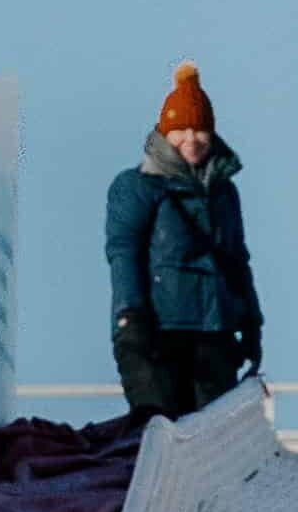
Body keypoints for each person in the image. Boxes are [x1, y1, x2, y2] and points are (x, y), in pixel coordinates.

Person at [106, 71, 266, 422]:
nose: (191, 139)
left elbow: (237, 260)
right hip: (161, 332)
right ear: (165, 134)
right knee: (163, 431)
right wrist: (129, 318)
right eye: (181, 130)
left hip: (216, 334)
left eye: (199, 130)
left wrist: (252, 322)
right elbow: (124, 254)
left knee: (213, 438)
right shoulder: (137, 187)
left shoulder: (224, 193)